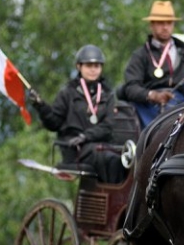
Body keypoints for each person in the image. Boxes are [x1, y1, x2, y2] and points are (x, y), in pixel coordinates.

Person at [28, 45, 125, 184]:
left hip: (99, 145)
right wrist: (41, 106)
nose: (93, 69)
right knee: (110, 159)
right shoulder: (68, 92)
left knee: (126, 159)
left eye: (97, 66)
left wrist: (86, 136)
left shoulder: (107, 94)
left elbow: (108, 125)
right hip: (74, 148)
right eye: (88, 65)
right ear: (79, 67)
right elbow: (54, 122)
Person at [120, 0, 184, 127]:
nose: (165, 27)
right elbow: (130, 88)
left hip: (183, 105)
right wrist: (153, 95)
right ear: (152, 25)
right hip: (150, 107)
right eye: (161, 23)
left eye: (169, 23)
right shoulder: (140, 56)